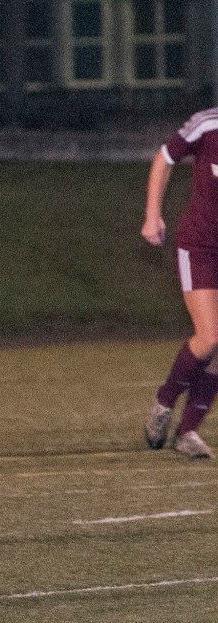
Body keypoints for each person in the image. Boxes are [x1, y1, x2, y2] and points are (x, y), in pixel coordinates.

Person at [142, 108, 218, 459]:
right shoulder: (208, 124)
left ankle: (188, 432)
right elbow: (164, 158)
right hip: (200, 246)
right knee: (210, 336)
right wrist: (152, 214)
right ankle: (165, 400)